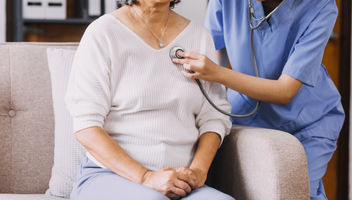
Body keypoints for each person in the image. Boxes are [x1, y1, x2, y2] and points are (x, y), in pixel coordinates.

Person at [172, 0, 345, 199]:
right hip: (242, 113)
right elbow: (213, 58)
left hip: (306, 122)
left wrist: (217, 73)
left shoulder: (320, 7)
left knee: (298, 193)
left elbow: (285, 91)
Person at [66, 0, 234, 199]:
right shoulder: (102, 33)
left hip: (181, 181)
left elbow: (214, 118)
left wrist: (198, 171)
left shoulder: (198, 37)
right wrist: (146, 178)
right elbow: (86, 127)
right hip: (110, 176)